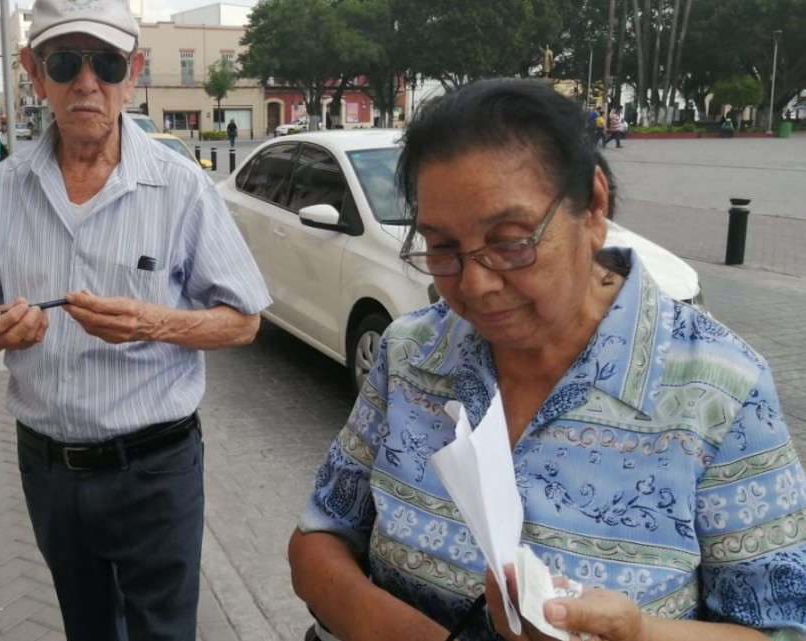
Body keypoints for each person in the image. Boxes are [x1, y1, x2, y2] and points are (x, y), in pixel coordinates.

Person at [289, 79, 806, 641]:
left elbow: (777, 629)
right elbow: (319, 538)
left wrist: (638, 633)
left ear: (593, 207)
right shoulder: (411, 352)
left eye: (510, 241)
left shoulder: (720, 389)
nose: (476, 285)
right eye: (441, 248)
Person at [0, 0, 272, 638]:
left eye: (107, 62)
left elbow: (244, 321)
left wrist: (155, 323)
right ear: (33, 74)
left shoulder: (184, 188)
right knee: (87, 628)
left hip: (156, 468)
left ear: (133, 71)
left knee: (164, 632)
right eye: (64, 61)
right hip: (48, 468)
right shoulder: (3, 189)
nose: (86, 82)